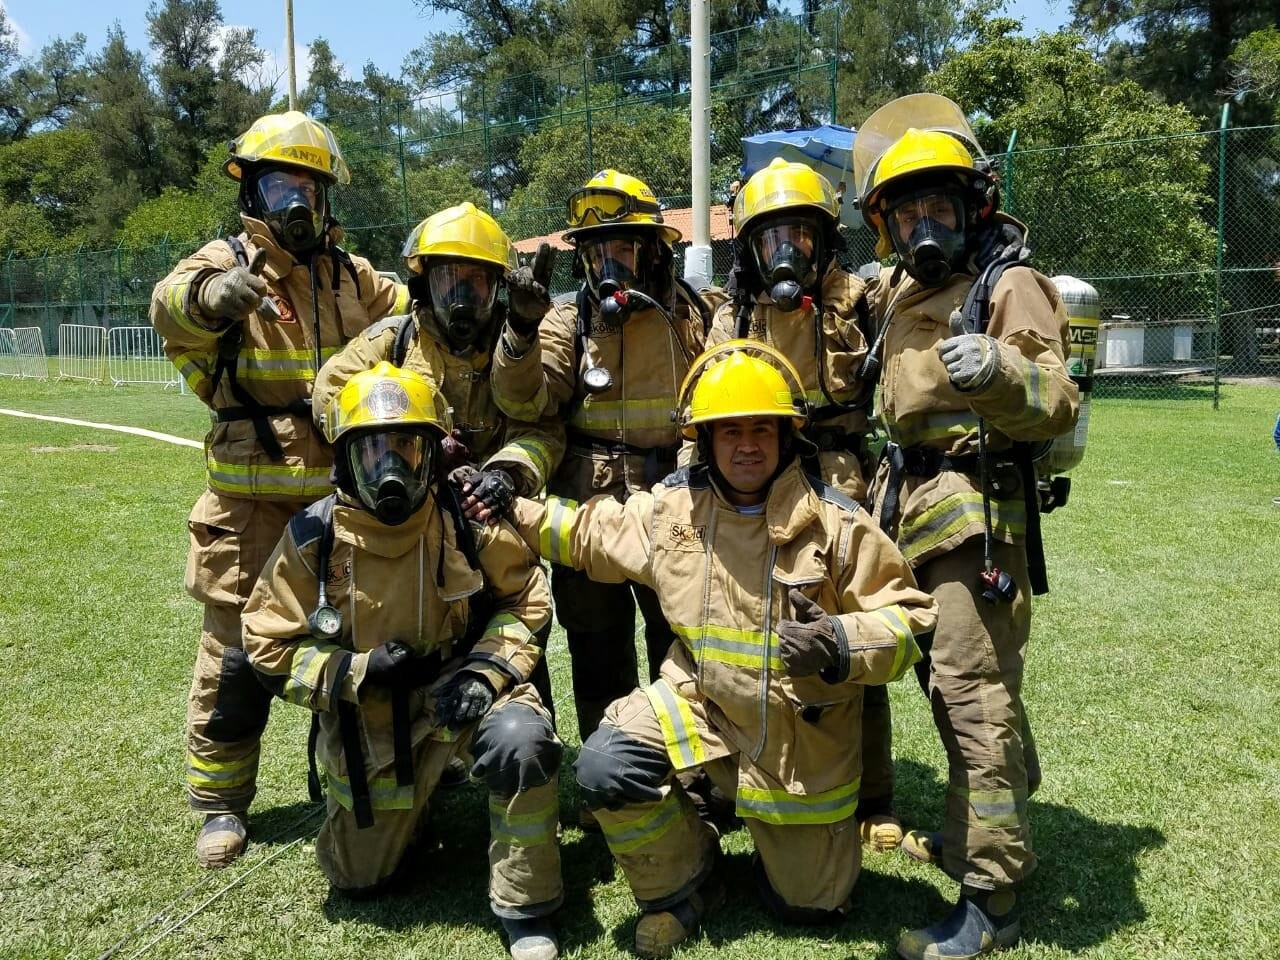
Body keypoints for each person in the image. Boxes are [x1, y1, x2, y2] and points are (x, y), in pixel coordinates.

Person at [509, 340, 938, 958]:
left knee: (811, 908)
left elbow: (911, 620)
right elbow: (587, 534)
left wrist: (841, 641)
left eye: (762, 429)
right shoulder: (674, 512)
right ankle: (688, 879)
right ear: (702, 439)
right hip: (702, 706)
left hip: (798, 744)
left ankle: (787, 852)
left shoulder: (837, 524)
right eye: (727, 430)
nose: (746, 445)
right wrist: (507, 505)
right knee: (605, 765)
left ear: (788, 437)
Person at [149, 111, 409, 868]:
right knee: (235, 663)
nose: (296, 200)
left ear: (327, 199)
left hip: (338, 505)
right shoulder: (227, 262)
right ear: (252, 193)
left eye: (308, 186)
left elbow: (411, 308)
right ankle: (219, 806)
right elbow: (170, 301)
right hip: (248, 510)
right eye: (278, 183)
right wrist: (217, 295)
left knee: (342, 649)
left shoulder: (350, 275)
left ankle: (333, 778)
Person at [852, 93, 1080, 959]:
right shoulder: (905, 288)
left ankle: (990, 900)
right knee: (952, 693)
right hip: (906, 510)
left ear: (972, 205)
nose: (922, 223)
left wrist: (995, 370)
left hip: (973, 518)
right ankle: (990, 826)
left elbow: (1054, 398)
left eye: (937, 205)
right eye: (906, 210)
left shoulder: (1008, 282)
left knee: (974, 698)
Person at [242, 363, 563, 960]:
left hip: (460, 689)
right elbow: (266, 644)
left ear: (431, 454)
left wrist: (484, 672)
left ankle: (526, 906)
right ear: (344, 459)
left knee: (521, 739)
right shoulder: (316, 535)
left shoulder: (464, 518)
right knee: (359, 881)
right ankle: (410, 816)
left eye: (407, 449)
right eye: (373, 451)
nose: (391, 468)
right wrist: (356, 673)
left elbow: (528, 599)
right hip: (376, 714)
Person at [490, 169, 723, 756]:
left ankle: (691, 768)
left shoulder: (691, 314)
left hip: (673, 508)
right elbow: (525, 402)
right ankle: (609, 764)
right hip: (585, 513)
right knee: (596, 645)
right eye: (598, 253)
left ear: (652, 253)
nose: (610, 265)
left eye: (623, 247)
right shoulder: (567, 322)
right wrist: (519, 330)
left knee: (681, 636)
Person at [311, 202, 564, 734]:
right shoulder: (394, 340)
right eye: (452, 279)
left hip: (490, 516)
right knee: (411, 628)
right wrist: (404, 442)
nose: (464, 296)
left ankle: (526, 732)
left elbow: (540, 426)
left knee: (516, 618)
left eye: (477, 281)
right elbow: (329, 393)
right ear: (426, 283)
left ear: (498, 287)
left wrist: (505, 475)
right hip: (410, 516)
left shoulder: (517, 340)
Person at [712, 157, 900, 851]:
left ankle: (873, 792)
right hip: (756, 488)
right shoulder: (731, 313)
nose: (785, 251)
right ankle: (744, 774)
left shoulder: (863, 298)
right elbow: (703, 405)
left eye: (799, 234)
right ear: (750, 247)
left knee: (852, 636)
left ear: (826, 240)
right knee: (753, 631)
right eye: (770, 238)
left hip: (841, 483)